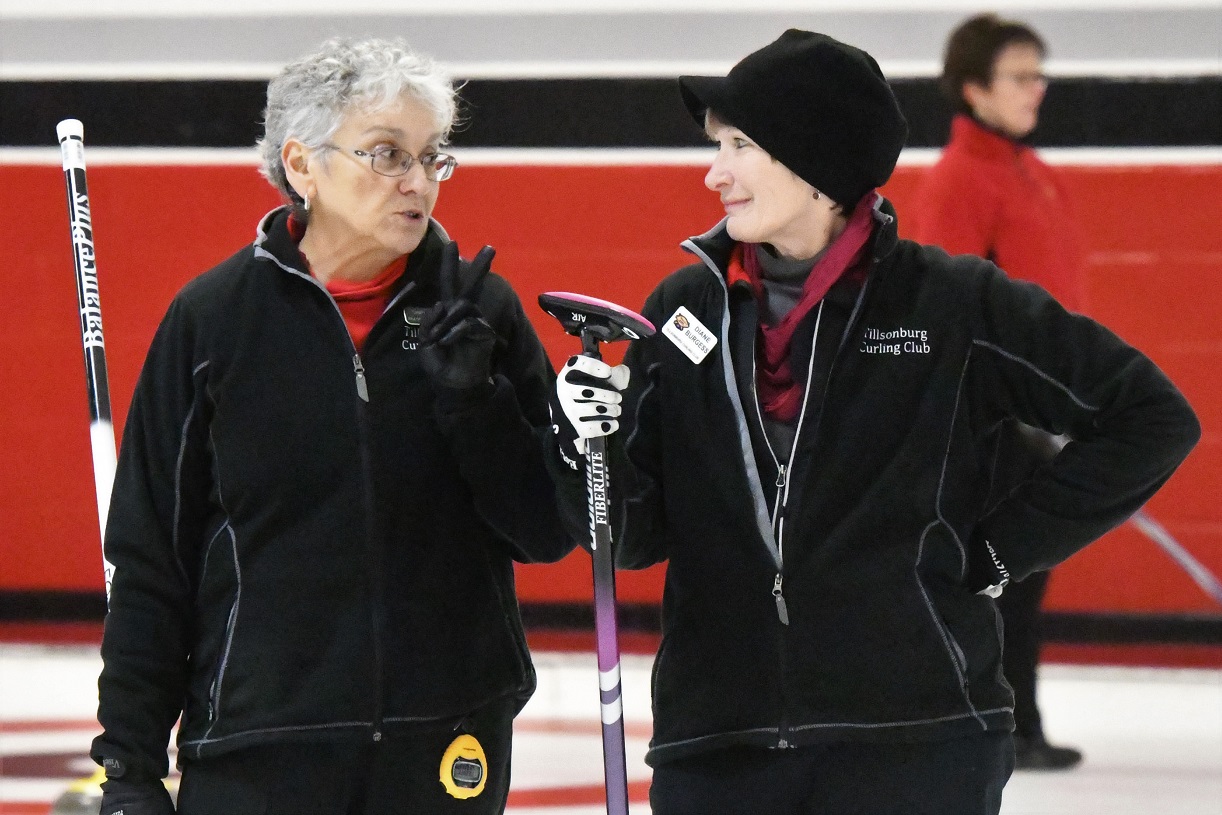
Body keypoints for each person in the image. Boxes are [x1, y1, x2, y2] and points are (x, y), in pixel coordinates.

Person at [550, 29, 1199, 815]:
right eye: (717, 145)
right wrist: (588, 439)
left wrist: (999, 550)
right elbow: (638, 533)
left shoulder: (951, 303)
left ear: (817, 163)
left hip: (918, 742)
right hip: (721, 744)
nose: (713, 171)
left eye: (740, 145)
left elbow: (1150, 416)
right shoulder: (682, 311)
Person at [90, 37, 575, 815]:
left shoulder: (480, 312)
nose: (418, 180)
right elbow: (152, 561)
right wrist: (130, 768)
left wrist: (473, 404)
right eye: (388, 154)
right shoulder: (212, 322)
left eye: (432, 156)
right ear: (303, 164)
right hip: (259, 748)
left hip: (444, 746)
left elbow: (547, 529)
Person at [912, 13, 1088, 770]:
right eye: (1021, 75)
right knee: (1005, 577)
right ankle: (1000, 722)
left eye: (1039, 73)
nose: (1036, 89)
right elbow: (955, 312)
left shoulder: (1032, 172)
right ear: (975, 86)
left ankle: (1023, 718)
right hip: (1000, 424)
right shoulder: (958, 180)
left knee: (1032, 573)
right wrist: (1008, 410)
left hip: (1046, 412)